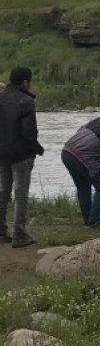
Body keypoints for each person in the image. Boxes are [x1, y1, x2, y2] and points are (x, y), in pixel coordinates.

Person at [0, 67, 43, 247]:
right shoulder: (26, 101)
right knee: (20, 193)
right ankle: (19, 234)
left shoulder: (1, 97)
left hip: (1, 152)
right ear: (25, 82)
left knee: (3, 191)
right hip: (21, 154)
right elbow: (29, 132)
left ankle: (1, 231)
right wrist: (37, 149)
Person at [62, 117, 100, 227]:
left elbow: (79, 131)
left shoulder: (99, 120)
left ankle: (88, 219)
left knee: (83, 187)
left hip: (66, 151)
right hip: (81, 156)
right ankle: (94, 220)